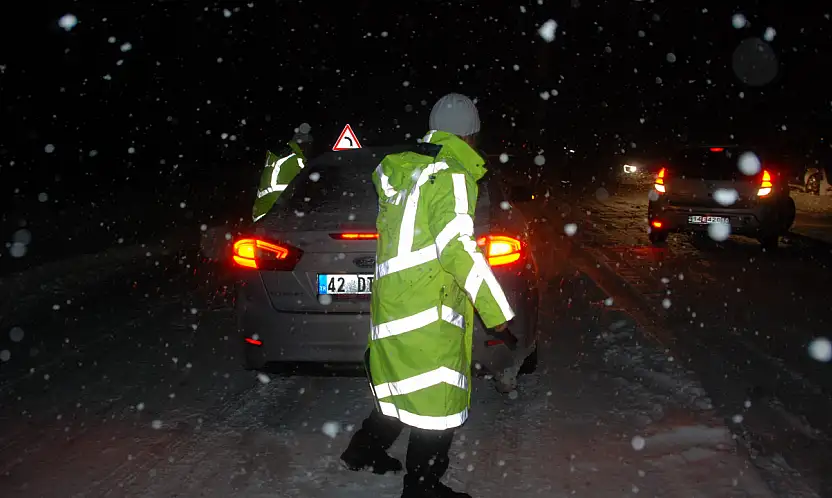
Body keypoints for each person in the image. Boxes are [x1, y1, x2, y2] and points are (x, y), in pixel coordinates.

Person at [340, 93, 515, 498]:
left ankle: (361, 451)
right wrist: (496, 311)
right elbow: (457, 250)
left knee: (401, 387)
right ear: (470, 135)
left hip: (393, 308)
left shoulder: (408, 170)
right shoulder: (451, 175)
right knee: (438, 407)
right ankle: (422, 488)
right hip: (427, 313)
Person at [251, 124, 313, 222]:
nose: (310, 149)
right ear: (302, 145)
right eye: (309, 145)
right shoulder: (294, 161)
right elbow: (295, 189)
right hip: (272, 213)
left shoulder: (285, 157)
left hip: (264, 212)